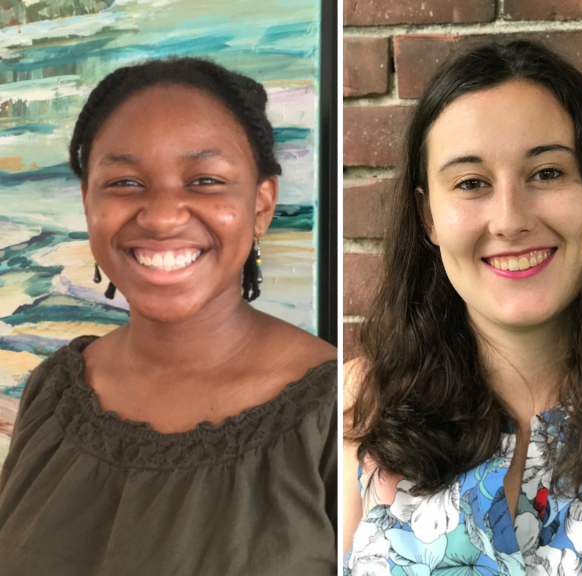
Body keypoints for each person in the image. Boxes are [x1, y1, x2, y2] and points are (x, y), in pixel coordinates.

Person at [343, 41, 582, 576]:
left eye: (546, 173)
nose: (510, 219)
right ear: (427, 215)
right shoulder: (359, 405)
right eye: (471, 183)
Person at [0, 58, 338, 575]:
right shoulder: (52, 391)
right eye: (124, 183)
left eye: (204, 179)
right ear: (88, 202)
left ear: (262, 204)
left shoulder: (345, 414)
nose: (160, 217)